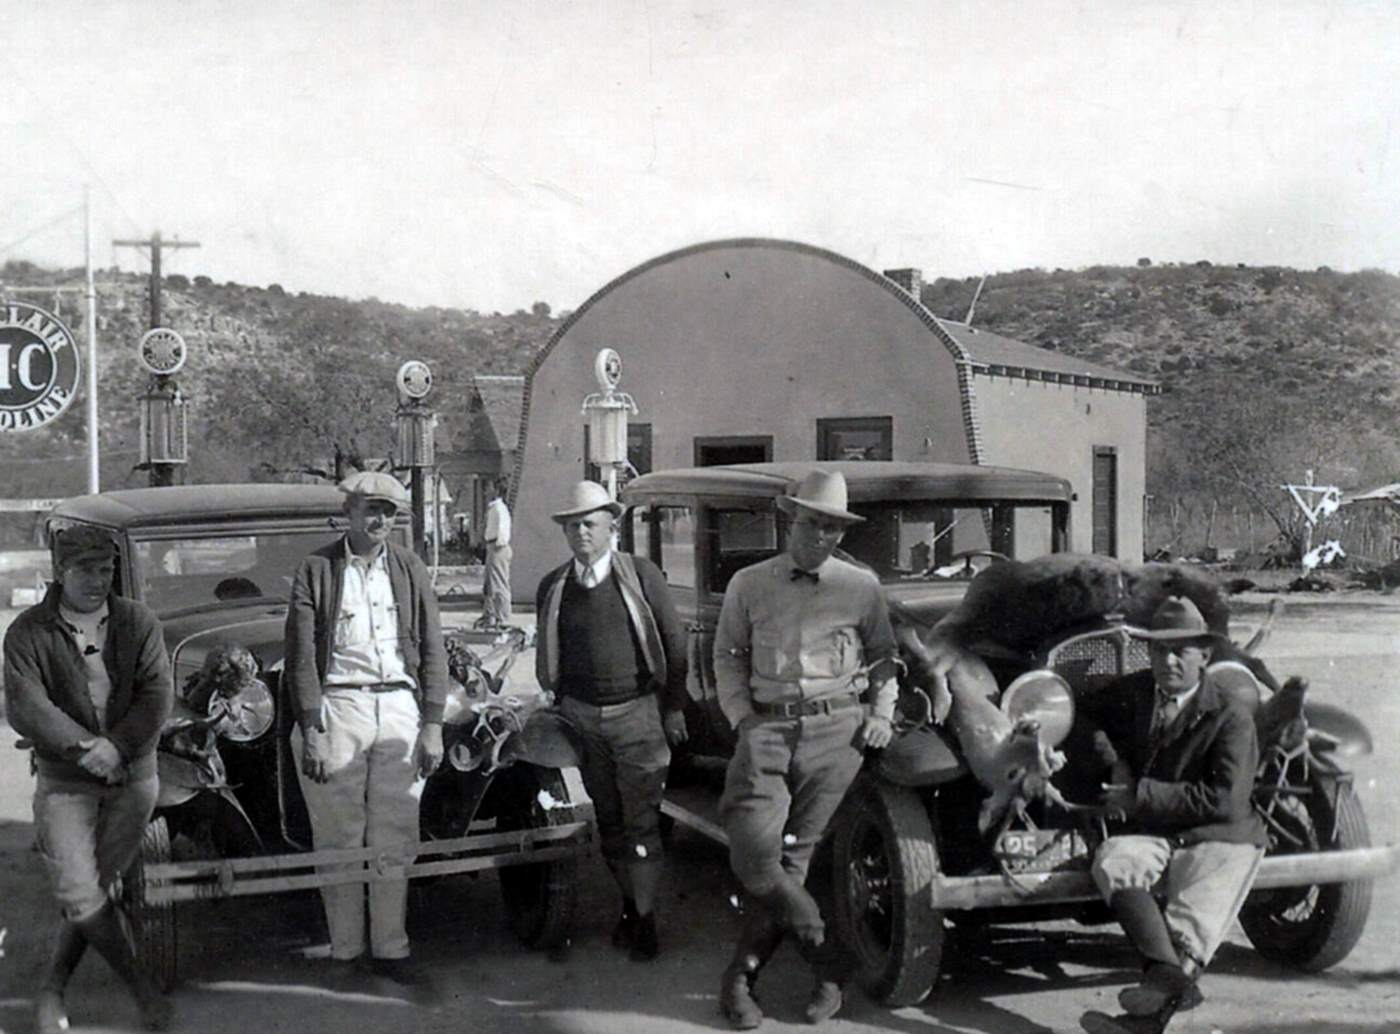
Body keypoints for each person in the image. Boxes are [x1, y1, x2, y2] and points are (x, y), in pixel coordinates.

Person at [712, 469, 898, 1028]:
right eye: (813, 523)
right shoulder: (748, 583)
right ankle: (825, 952)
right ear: (790, 519)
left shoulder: (860, 586)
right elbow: (727, 656)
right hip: (766, 730)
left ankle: (742, 979)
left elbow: (885, 657)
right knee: (752, 852)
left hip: (836, 733)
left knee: (796, 858)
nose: (822, 536)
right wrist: (742, 717)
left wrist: (882, 715)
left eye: (833, 528)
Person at [6, 525, 175, 1033]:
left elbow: (156, 694)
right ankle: (144, 991)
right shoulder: (28, 631)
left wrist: (118, 747)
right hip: (65, 781)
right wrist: (86, 750)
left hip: (134, 779)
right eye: (85, 571)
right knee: (81, 891)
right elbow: (26, 706)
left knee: (95, 887)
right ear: (60, 572)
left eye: (106, 570)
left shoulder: (137, 621)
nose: (98, 581)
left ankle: (54, 988)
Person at [283, 471, 447, 985]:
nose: (379, 520)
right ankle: (346, 952)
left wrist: (434, 724)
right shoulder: (317, 570)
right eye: (370, 509)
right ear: (349, 512)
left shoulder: (409, 567)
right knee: (338, 836)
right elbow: (301, 656)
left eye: (389, 512)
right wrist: (311, 725)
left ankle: (391, 949)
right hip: (339, 708)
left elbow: (434, 647)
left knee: (395, 832)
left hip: (398, 706)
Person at [1078, 596, 1267, 1034]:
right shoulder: (1134, 692)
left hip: (1220, 835)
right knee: (1114, 860)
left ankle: (1145, 1021)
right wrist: (1113, 761)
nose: (1169, 662)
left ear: (1205, 655)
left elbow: (1227, 800)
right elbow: (1083, 714)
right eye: (1159, 651)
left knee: (1190, 931)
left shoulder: (1231, 714)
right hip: (1157, 830)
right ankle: (1164, 976)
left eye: (1181, 652)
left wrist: (1138, 795)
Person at [535, 480, 689, 961]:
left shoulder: (641, 576)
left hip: (636, 715)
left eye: (589, 523)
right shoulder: (554, 586)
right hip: (582, 719)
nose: (580, 533)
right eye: (572, 525)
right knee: (609, 821)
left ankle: (644, 921)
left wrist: (674, 706)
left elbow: (675, 644)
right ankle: (629, 905)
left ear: (611, 526)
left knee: (642, 822)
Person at [479, 477, 513, 627]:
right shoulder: (492, 508)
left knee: (499, 584)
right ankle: (490, 616)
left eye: (489, 487)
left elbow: (503, 531)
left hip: (498, 547)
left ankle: (503, 618)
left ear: (496, 490)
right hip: (491, 546)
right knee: (489, 585)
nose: (485, 491)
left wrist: (498, 545)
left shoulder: (500, 508)